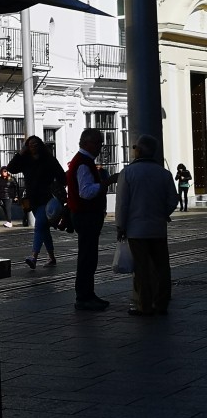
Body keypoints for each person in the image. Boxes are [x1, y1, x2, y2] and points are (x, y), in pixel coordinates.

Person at [115, 135, 179, 315]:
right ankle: (161, 303)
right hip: (158, 228)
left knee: (141, 269)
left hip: (136, 230)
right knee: (162, 267)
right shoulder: (163, 173)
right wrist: (163, 213)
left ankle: (144, 305)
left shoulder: (127, 173)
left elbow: (122, 204)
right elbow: (173, 200)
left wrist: (121, 226)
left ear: (139, 150)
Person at [66, 129, 117, 311]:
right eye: (98, 143)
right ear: (86, 143)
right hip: (85, 215)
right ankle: (84, 296)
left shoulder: (82, 161)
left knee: (88, 256)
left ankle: (87, 293)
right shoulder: (83, 163)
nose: (100, 146)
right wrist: (106, 182)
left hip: (85, 215)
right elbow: (86, 192)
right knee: (87, 257)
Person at [7, 135, 66, 269]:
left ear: (40, 145)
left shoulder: (49, 160)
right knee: (44, 229)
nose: (33, 146)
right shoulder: (26, 160)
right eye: (30, 144)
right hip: (33, 200)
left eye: (36, 144)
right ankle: (51, 258)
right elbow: (11, 168)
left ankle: (34, 257)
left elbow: (62, 177)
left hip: (47, 199)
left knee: (39, 225)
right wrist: (20, 154)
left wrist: (55, 186)